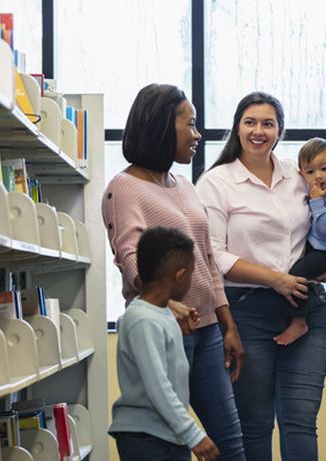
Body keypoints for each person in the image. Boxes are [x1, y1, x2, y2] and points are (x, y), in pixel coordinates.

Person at [196, 92, 326, 460]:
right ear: (237, 127)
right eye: (250, 122)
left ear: (280, 130)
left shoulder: (299, 177)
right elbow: (212, 255)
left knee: (300, 422)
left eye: (268, 123)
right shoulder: (216, 182)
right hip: (246, 314)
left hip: (306, 309)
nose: (258, 131)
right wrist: (274, 278)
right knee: (255, 422)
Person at [102, 83, 246, 460]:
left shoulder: (183, 185)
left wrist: (226, 322)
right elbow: (128, 255)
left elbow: (207, 258)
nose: (197, 135)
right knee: (173, 440)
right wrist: (166, 303)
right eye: (191, 124)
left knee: (230, 444)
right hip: (166, 327)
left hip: (208, 332)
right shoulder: (124, 187)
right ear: (162, 126)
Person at [109, 227, 219, 461]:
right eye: (191, 272)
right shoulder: (143, 319)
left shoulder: (159, 312)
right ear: (180, 275)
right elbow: (158, 386)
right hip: (147, 439)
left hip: (166, 434)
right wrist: (194, 435)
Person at [274, 137, 326, 346]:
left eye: (324, 169)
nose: (318, 176)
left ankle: (299, 321)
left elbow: (325, 226)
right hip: (318, 246)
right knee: (296, 268)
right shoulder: (317, 191)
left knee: (296, 275)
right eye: (310, 172)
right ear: (302, 175)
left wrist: (317, 200)